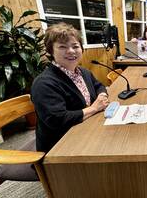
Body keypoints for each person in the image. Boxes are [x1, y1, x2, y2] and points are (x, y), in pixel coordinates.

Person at [31, 23, 110, 153]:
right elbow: (58, 120)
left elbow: (99, 86)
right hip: (60, 149)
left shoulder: (83, 72)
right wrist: (94, 108)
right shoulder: (43, 83)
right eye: (62, 47)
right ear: (50, 51)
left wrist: (102, 95)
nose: (71, 51)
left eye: (75, 46)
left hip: (86, 132)